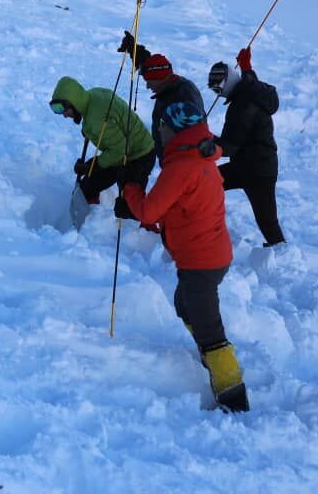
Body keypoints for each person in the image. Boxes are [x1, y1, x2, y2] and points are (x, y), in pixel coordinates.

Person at [119, 100, 249, 412]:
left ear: (174, 129)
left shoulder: (181, 167)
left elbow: (149, 209)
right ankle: (207, 351)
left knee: (211, 329)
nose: (159, 130)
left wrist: (130, 189)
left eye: (163, 125)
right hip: (209, 255)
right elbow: (176, 207)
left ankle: (234, 400)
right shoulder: (200, 159)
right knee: (183, 304)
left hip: (201, 261)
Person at [207, 47, 285, 247]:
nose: (218, 95)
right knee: (207, 183)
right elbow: (250, 80)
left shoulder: (242, 107)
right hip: (249, 165)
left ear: (228, 83)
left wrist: (203, 138)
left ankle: (282, 255)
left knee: (267, 221)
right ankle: (202, 223)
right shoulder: (252, 90)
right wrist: (246, 67)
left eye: (218, 89)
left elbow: (229, 147)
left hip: (257, 172)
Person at [49, 76, 156, 213]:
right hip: (122, 150)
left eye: (64, 110)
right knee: (89, 184)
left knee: (129, 208)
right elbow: (106, 119)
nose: (64, 115)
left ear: (73, 103)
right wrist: (88, 131)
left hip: (140, 155)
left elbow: (121, 150)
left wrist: (94, 164)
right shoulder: (93, 95)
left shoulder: (96, 120)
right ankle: (91, 212)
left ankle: (144, 229)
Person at [118, 31, 205, 163]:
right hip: (169, 157)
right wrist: (134, 49)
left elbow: (193, 135)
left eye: (149, 82)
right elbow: (153, 65)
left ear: (160, 79)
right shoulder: (169, 83)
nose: (147, 86)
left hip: (181, 162)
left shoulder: (182, 97)